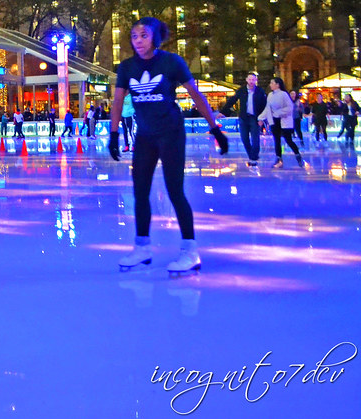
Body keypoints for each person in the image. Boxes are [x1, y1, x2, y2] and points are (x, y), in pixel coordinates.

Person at [109, 17, 228, 276]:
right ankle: (142, 247)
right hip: (145, 136)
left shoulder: (171, 62)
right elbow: (118, 100)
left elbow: (196, 94)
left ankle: (190, 251)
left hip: (171, 133)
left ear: (155, 37)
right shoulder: (127, 67)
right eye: (134, 36)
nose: (138, 41)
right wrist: (114, 133)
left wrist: (215, 128)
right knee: (140, 191)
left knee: (175, 191)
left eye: (143, 35)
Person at [220, 73, 267, 166]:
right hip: (243, 118)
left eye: (253, 80)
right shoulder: (241, 90)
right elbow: (232, 100)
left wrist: (262, 118)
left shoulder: (260, 91)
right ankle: (252, 156)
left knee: (255, 139)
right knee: (244, 138)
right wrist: (223, 112)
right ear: (246, 80)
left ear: (256, 80)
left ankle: (253, 158)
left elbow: (264, 105)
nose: (251, 81)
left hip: (255, 118)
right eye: (250, 79)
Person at [262, 77, 304, 168]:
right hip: (274, 121)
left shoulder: (284, 94)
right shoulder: (270, 95)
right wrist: (261, 118)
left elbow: (290, 108)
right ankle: (278, 159)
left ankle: (297, 155)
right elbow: (267, 109)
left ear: (277, 85)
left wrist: (278, 113)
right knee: (276, 140)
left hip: (284, 121)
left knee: (288, 140)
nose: (270, 85)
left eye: (272, 83)